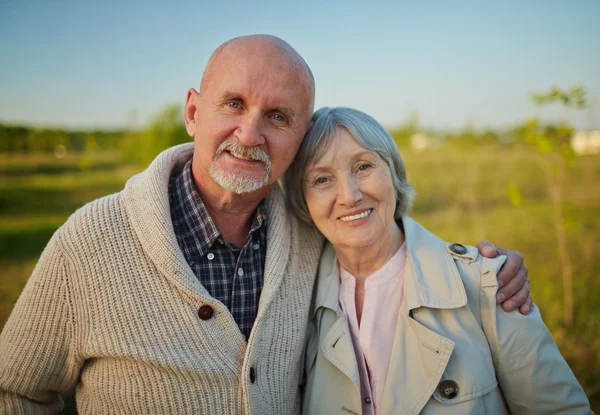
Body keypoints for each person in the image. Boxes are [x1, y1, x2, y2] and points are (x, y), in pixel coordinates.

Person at [0, 36, 530, 414]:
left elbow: (380, 242)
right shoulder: (91, 241)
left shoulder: (310, 234)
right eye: (233, 103)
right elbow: (15, 390)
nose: (250, 133)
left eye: (278, 116)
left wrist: (483, 271)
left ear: (301, 136)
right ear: (192, 111)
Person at [283, 107, 592, 415]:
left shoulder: (488, 282)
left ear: (393, 172)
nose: (349, 196)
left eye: (363, 167)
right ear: (302, 200)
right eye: (322, 179)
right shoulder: (295, 302)